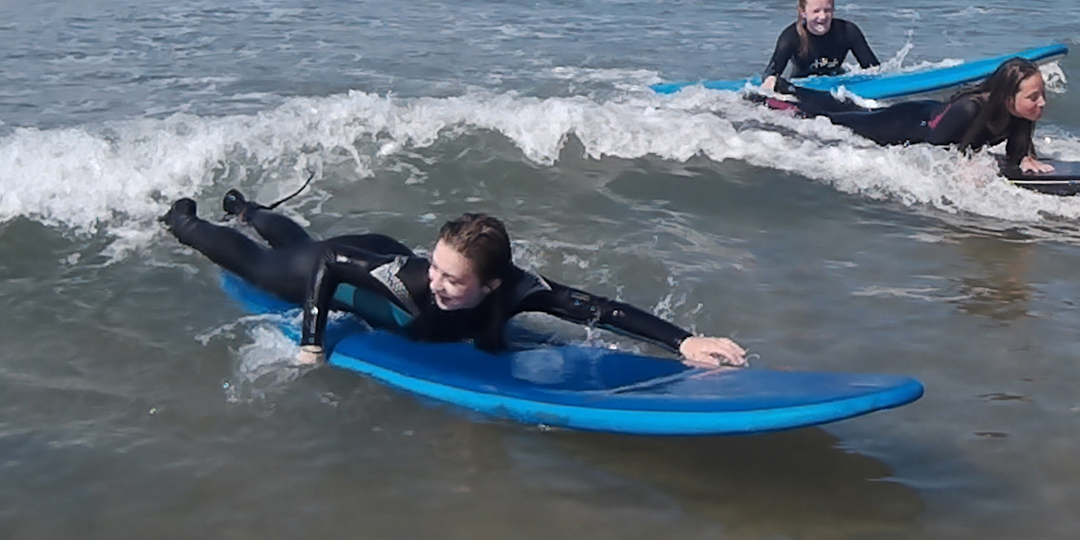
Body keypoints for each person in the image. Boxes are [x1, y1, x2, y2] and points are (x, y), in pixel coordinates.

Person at [162, 195, 747, 367]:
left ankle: (250, 207)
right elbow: (330, 264)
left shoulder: (517, 288)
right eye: (439, 270)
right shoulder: (416, 279)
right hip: (356, 270)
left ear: (493, 285)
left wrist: (685, 341)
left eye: (454, 280)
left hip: (371, 258)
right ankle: (190, 219)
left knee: (304, 242)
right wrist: (313, 342)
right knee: (270, 266)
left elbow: (596, 308)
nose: (440, 285)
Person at [817, 56, 1056, 176]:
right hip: (905, 122)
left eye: (1041, 94)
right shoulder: (969, 110)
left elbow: (1014, 149)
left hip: (932, 113)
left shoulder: (1022, 114)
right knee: (840, 118)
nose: (1042, 102)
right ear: (1007, 98)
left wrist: (1024, 156)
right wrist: (962, 166)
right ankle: (793, 99)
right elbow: (932, 151)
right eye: (1033, 97)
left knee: (855, 112)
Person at [760, 0, 880, 88]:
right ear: (803, 12)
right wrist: (771, 81)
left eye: (827, 10)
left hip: (838, 85)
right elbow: (771, 72)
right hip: (803, 87)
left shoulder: (848, 31)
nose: (822, 17)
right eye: (816, 11)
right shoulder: (791, 37)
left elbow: (873, 69)